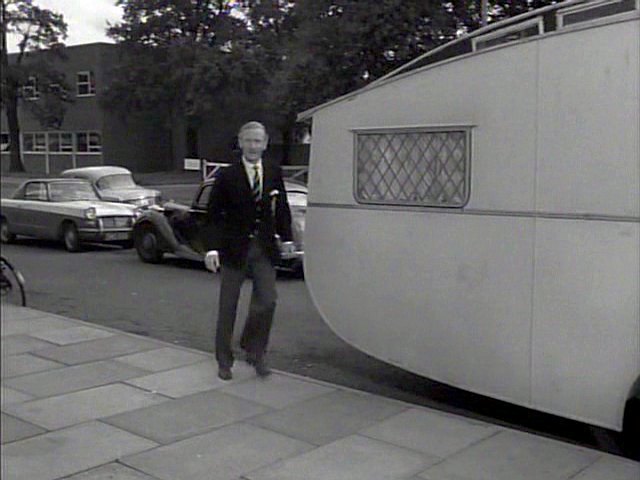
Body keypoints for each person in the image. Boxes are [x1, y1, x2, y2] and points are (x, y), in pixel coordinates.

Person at [204, 121, 295, 381]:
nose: (253, 146)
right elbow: (213, 215)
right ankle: (224, 361)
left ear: (265, 144)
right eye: (249, 141)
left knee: (268, 301)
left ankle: (254, 351)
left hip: (263, 248)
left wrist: (286, 237)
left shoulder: (273, 171)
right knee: (228, 306)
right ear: (241, 143)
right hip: (234, 249)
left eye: (258, 141)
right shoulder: (226, 175)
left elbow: (282, 207)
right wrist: (212, 248)